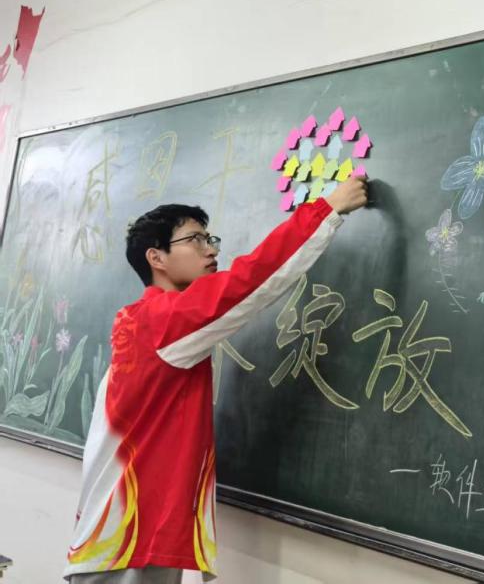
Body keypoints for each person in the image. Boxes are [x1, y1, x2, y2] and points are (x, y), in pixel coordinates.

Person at [63, 176, 369, 583]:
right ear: (156, 257)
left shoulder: (143, 323)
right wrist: (326, 209)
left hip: (128, 536)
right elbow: (249, 281)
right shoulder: (161, 321)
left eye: (210, 239)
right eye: (195, 240)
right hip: (129, 543)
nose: (211, 250)